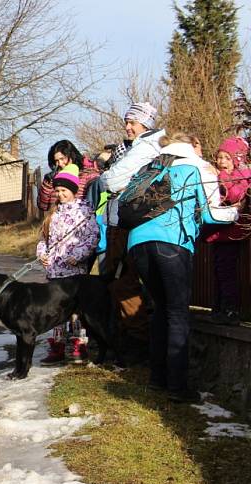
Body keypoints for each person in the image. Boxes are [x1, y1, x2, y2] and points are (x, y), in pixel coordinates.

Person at [127, 133, 238, 402]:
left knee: (160, 308)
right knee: (177, 313)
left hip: (137, 244)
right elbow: (211, 213)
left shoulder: (150, 167)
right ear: (192, 145)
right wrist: (237, 210)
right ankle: (177, 388)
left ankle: (157, 379)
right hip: (172, 243)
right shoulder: (195, 167)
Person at [99, 102, 167, 358]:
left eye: (133, 123)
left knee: (122, 281)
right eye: (126, 122)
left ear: (145, 125)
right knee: (120, 281)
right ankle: (131, 338)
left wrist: (108, 175)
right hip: (122, 220)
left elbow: (112, 180)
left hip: (129, 223)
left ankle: (139, 343)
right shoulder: (136, 147)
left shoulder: (145, 148)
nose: (128, 127)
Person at [36, 164, 99, 365]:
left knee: (75, 310)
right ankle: (57, 346)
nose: (60, 194)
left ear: (73, 190)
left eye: (64, 190)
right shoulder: (53, 214)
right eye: (58, 191)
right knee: (56, 310)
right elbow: (44, 240)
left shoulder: (85, 212)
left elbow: (92, 237)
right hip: (54, 271)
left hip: (73, 271)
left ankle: (78, 345)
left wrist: (79, 254)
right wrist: (42, 254)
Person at [204, 136, 251, 325]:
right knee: (219, 271)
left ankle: (230, 310)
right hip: (221, 233)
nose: (221, 162)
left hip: (232, 234)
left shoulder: (243, 176)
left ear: (237, 159)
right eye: (219, 157)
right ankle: (219, 307)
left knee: (227, 272)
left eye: (226, 158)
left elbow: (235, 195)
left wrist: (221, 177)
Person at [37, 140, 100, 211]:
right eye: (56, 161)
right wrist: (47, 184)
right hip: (56, 219)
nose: (60, 163)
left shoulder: (88, 175)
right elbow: (43, 206)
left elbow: (96, 202)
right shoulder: (54, 177)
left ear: (72, 156)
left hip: (80, 219)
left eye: (62, 159)